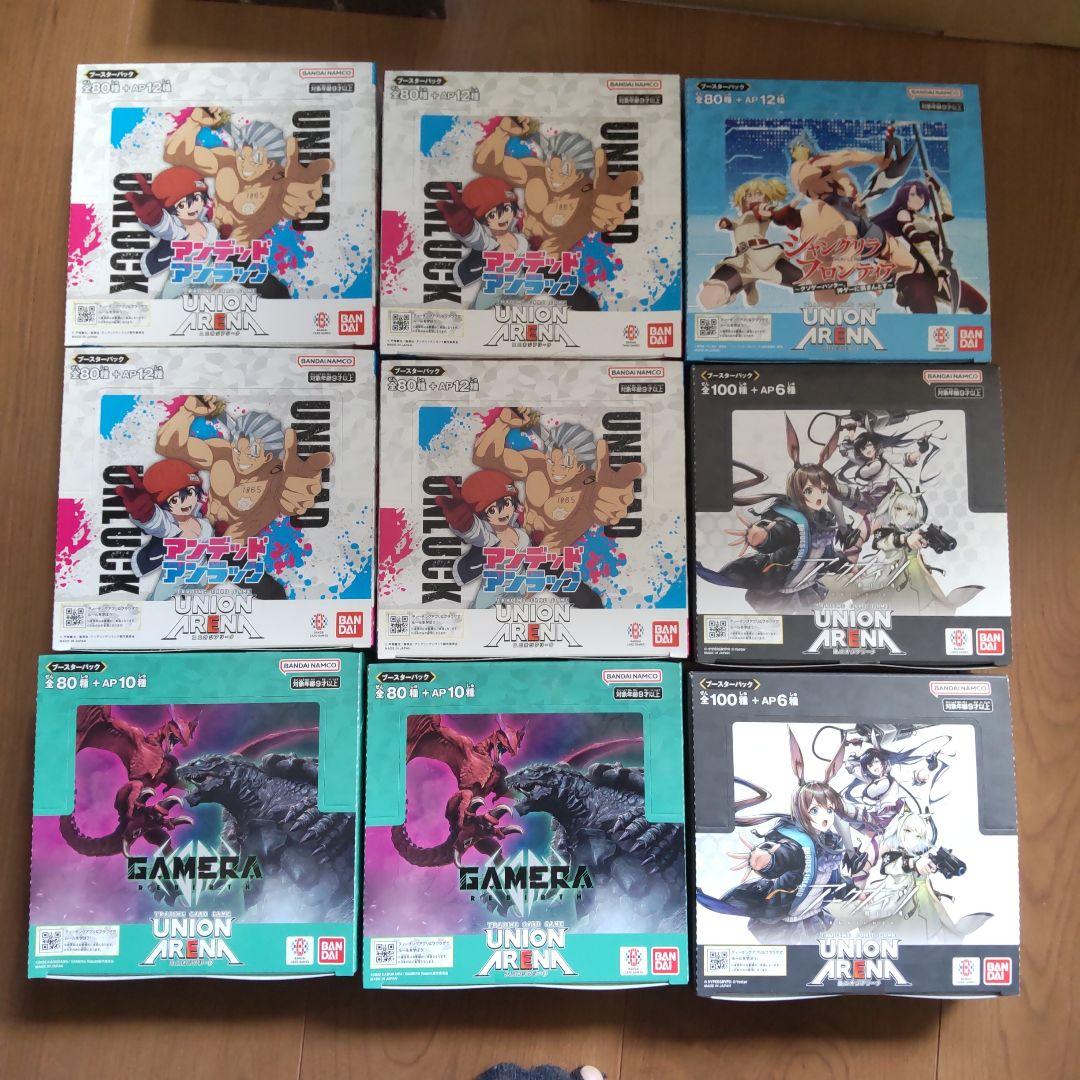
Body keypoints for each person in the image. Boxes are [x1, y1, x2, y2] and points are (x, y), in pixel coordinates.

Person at [114, 459, 212, 600]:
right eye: (174, 500)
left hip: (201, 572)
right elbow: (157, 522)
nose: (185, 502)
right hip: (174, 575)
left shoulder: (202, 519)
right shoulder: (170, 525)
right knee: (157, 602)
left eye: (190, 493)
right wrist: (145, 513)